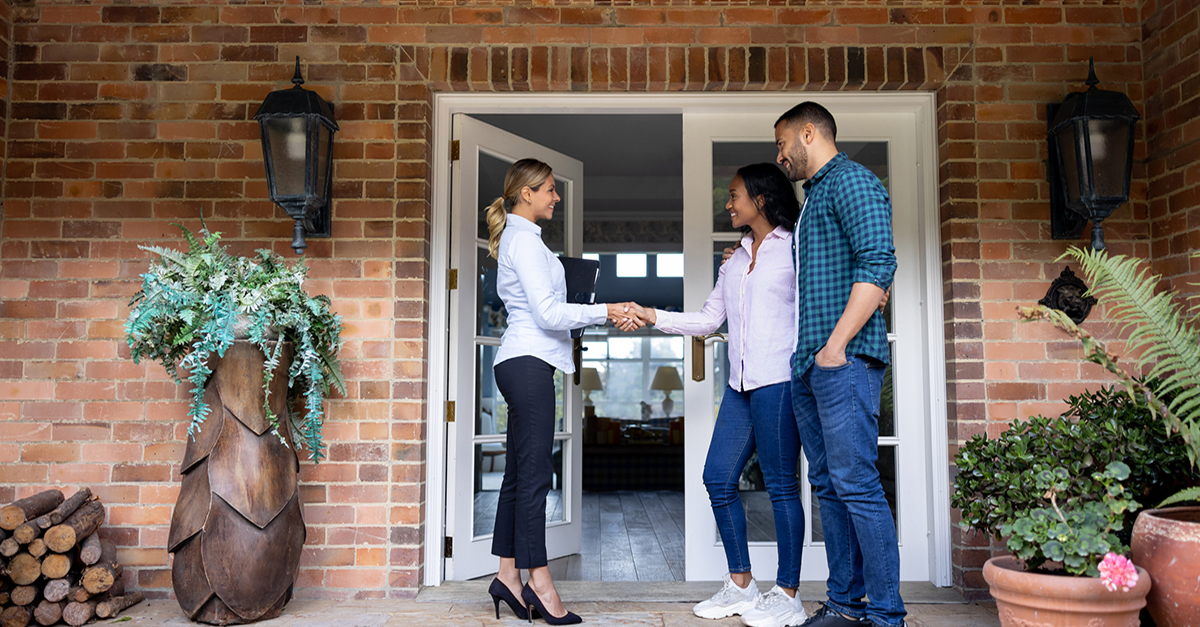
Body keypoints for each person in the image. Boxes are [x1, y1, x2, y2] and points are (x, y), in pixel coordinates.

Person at [627, 163, 807, 627]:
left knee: (782, 486)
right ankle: (742, 584)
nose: (728, 203)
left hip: (779, 382)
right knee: (717, 478)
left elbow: (816, 310)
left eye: (734, 196)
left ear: (761, 199)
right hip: (740, 387)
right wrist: (651, 314)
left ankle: (787, 592)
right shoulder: (735, 259)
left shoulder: (797, 247)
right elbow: (710, 320)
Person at [486, 158, 640, 625]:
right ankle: (540, 582)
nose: (556, 197)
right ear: (526, 192)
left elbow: (546, 308)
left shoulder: (524, 240)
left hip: (523, 362)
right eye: (550, 189)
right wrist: (606, 310)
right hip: (529, 363)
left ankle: (506, 576)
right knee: (535, 480)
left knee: (519, 475)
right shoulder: (525, 243)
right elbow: (550, 314)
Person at [776, 102, 906, 627]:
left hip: (843, 361)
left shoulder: (853, 181)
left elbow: (879, 263)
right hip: (812, 364)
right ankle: (846, 604)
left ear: (809, 132)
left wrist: (835, 348)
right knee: (829, 484)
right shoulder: (813, 200)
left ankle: (887, 614)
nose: (779, 155)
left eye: (782, 142)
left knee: (856, 483)